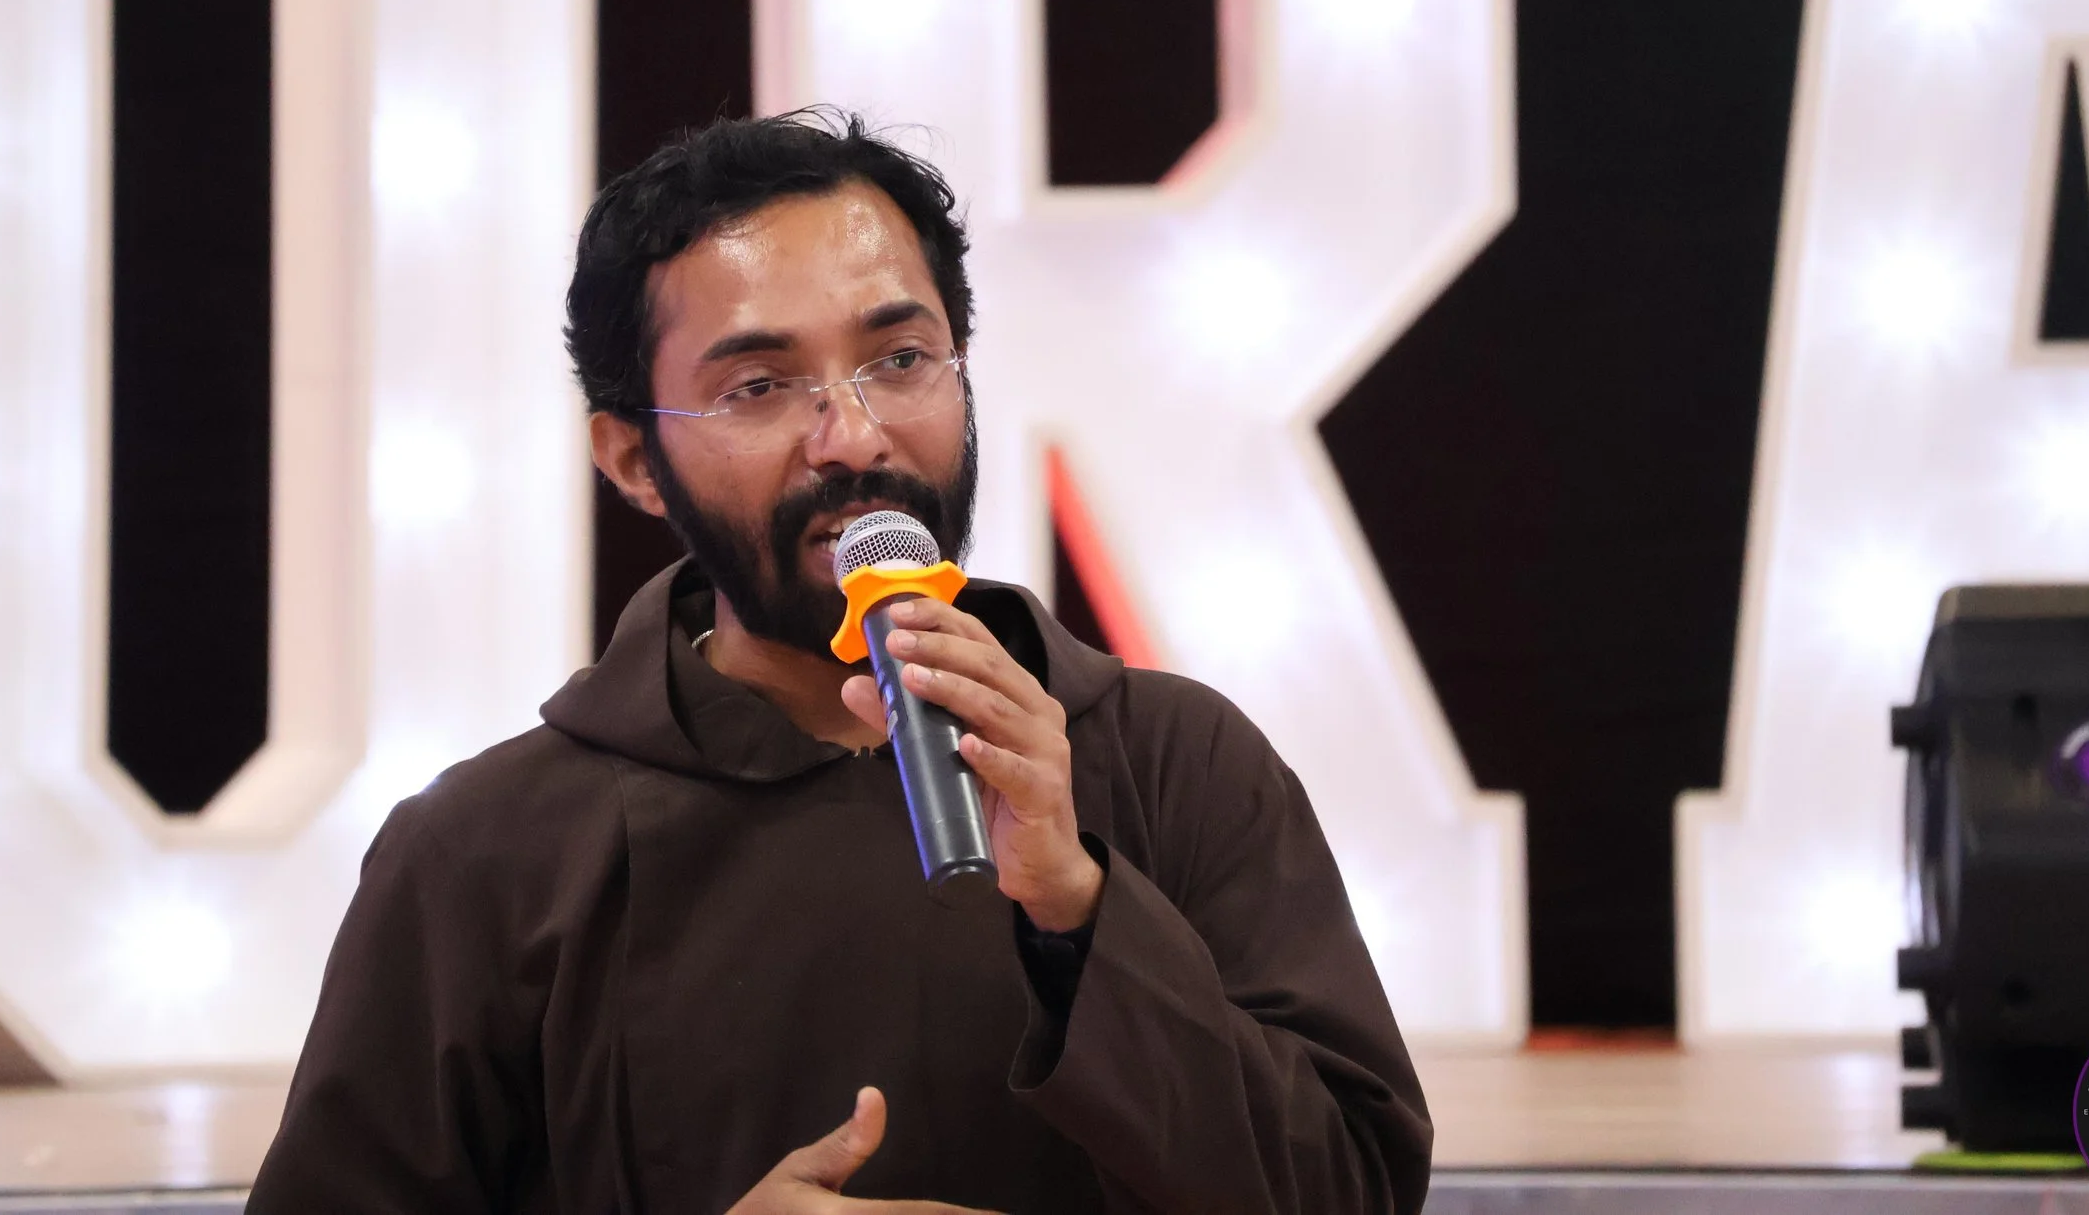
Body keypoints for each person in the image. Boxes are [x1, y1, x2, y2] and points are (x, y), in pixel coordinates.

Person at [246, 113, 1432, 1214]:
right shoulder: (487, 850)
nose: (853, 435)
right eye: (759, 386)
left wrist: (1078, 905)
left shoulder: (1179, 761)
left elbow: (1357, 1191)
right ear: (631, 460)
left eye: (901, 358)